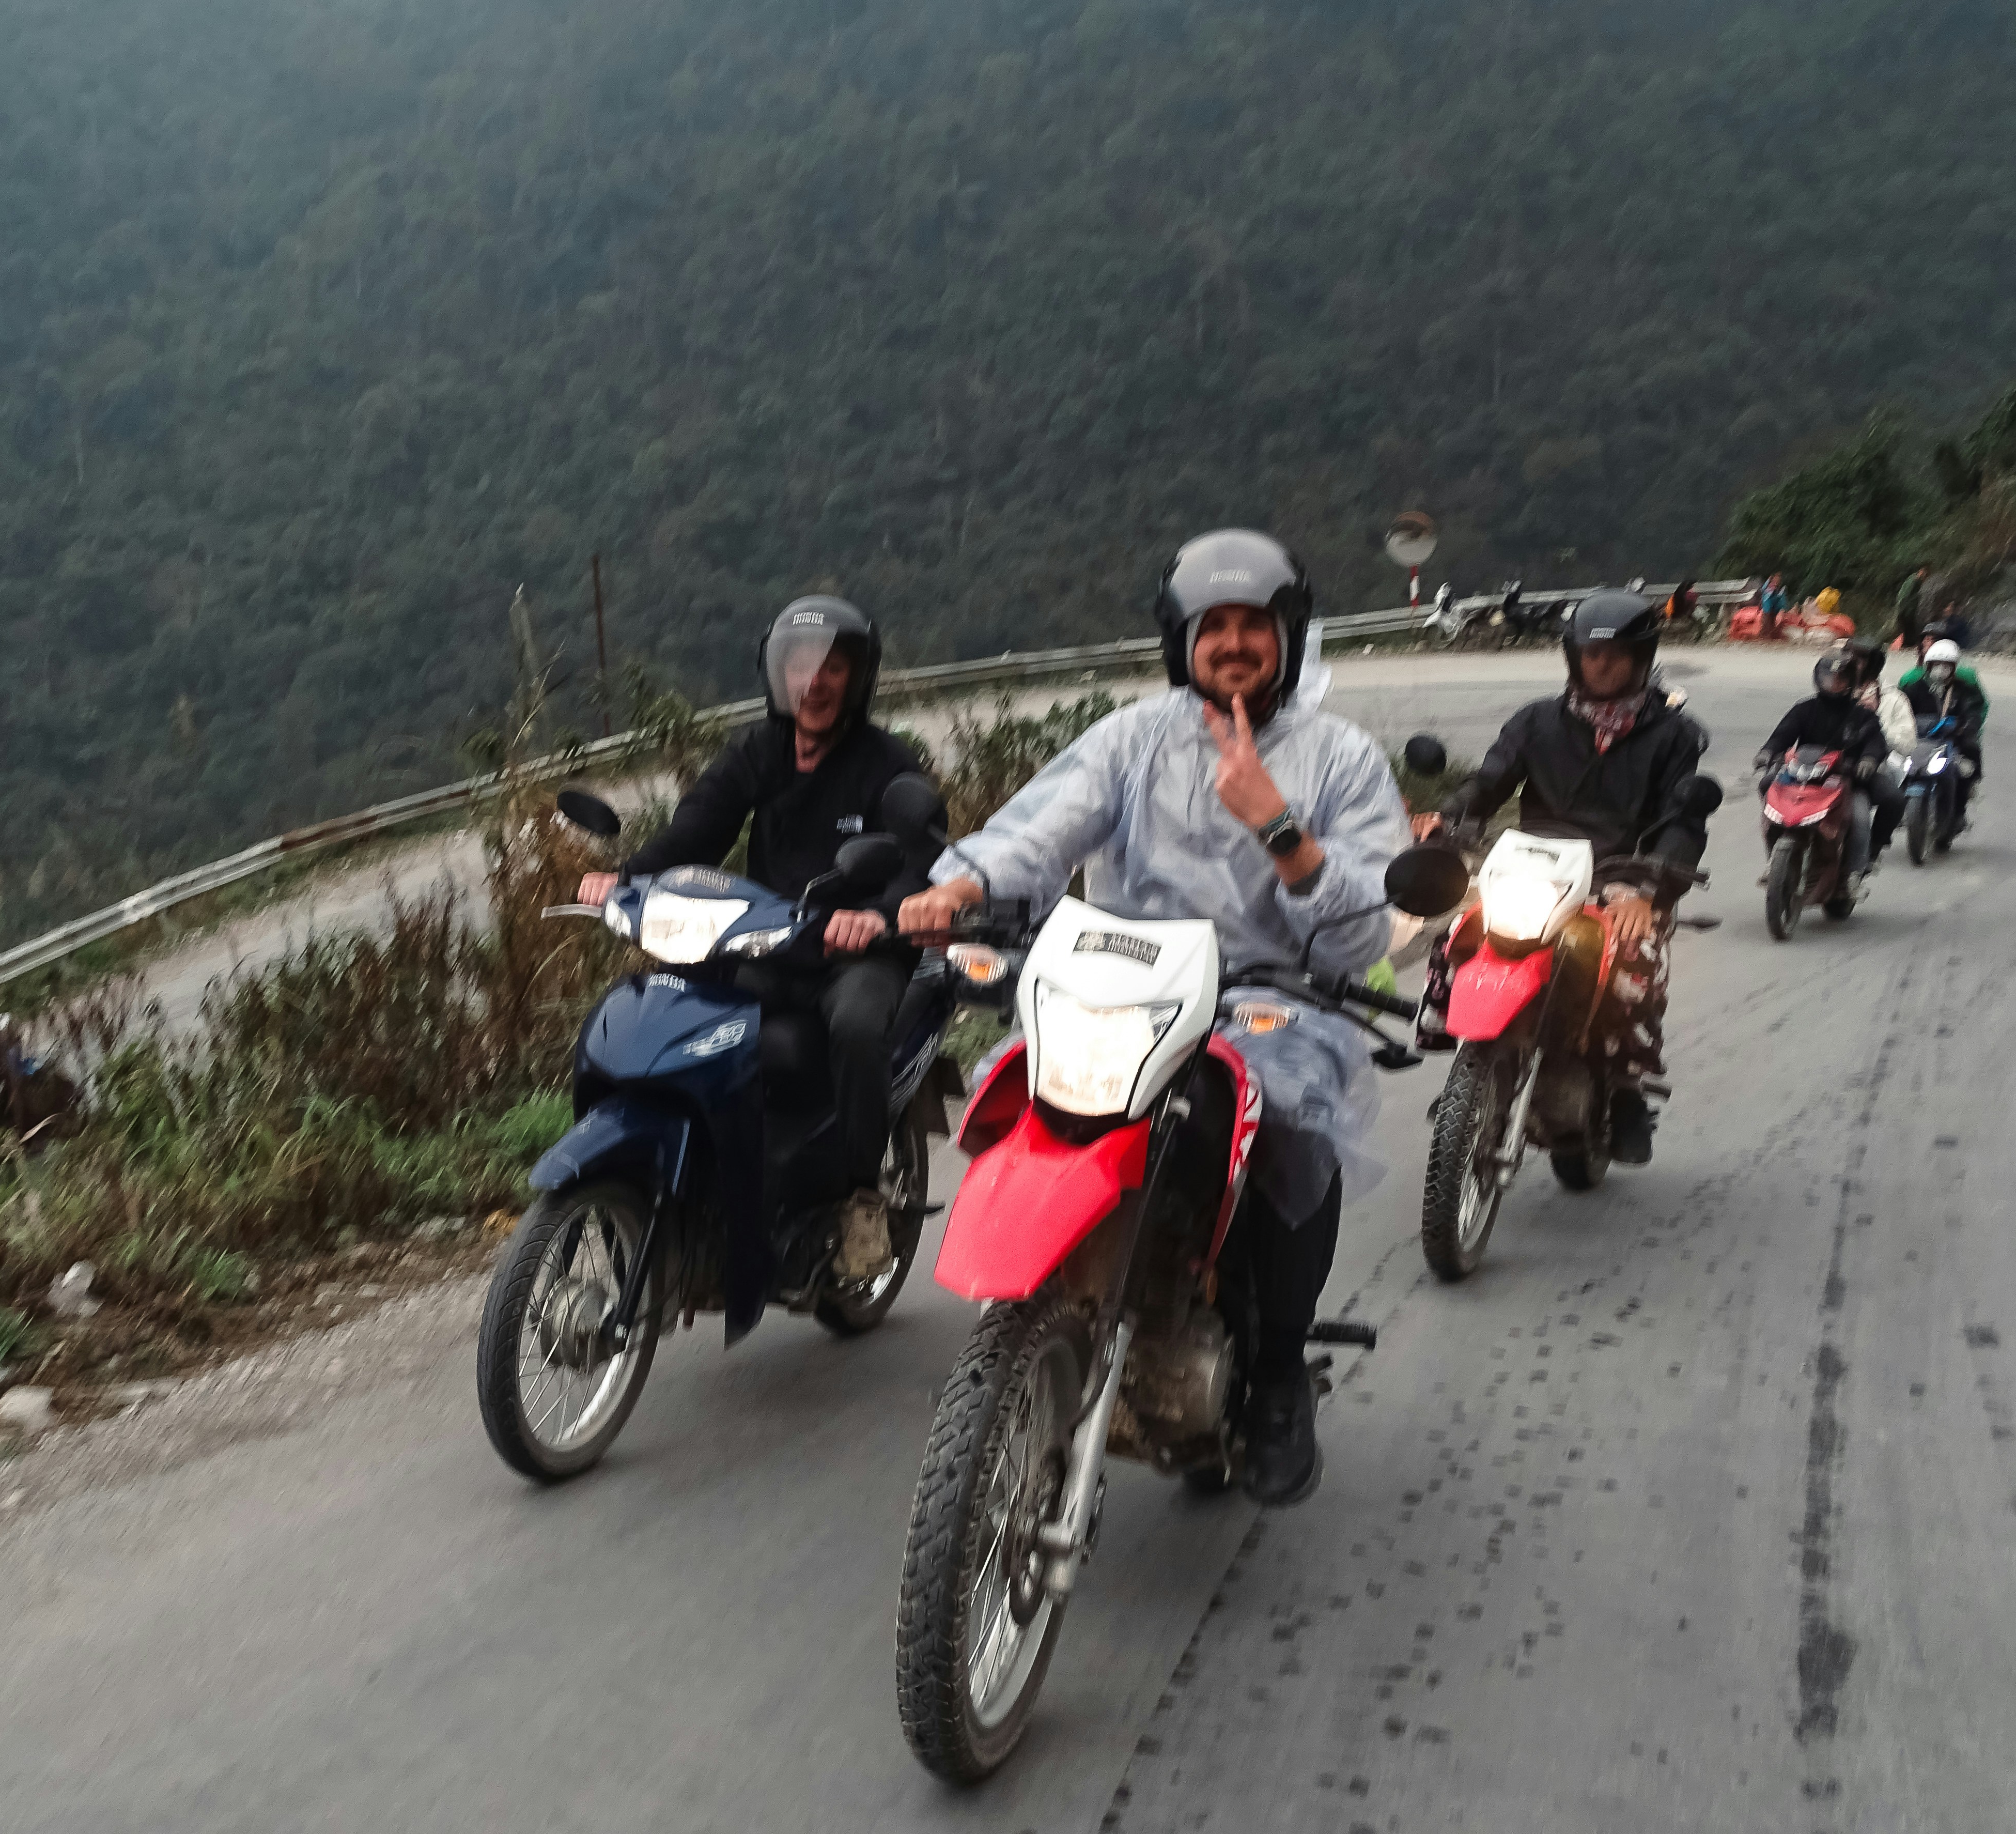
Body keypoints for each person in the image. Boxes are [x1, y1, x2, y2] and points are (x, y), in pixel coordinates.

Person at [897, 529, 1408, 1508]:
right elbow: (1041, 825)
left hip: (1271, 997)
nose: (1230, 644)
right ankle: (1038, 1303)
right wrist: (960, 884)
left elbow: (1357, 939)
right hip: (1124, 985)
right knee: (1025, 1090)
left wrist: (1276, 825)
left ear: (1286, 636)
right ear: (1180, 641)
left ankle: (1274, 1376)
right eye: (1210, 626)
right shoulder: (1132, 738)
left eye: (1251, 626)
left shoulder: (1339, 758)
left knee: (1288, 1129)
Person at [579, 595, 929, 1281]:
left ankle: (861, 1200)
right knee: (663, 1001)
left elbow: (920, 863)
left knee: (858, 1027)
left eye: (833, 668)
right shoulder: (757, 751)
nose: (815, 682)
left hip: (855, 952)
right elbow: (699, 831)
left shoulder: (887, 762)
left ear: (857, 678)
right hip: (768, 939)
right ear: (778, 673)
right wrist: (625, 878)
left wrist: (879, 917)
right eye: (800, 665)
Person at [1414, 590, 1713, 1166]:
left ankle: (1625, 1086)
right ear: (1573, 658)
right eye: (1590, 655)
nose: (1601, 666)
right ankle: (1467, 1068)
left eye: (1616, 656)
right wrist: (1449, 817)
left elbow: (1683, 820)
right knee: (1458, 939)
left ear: (1641, 658)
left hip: (1624, 879)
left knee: (1638, 961)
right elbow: (1490, 781)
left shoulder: (1674, 736)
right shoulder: (1536, 723)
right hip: (1536, 871)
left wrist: (1648, 893)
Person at [1753, 648, 1893, 891]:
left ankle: (1856, 872)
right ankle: (1773, 861)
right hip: (1802, 776)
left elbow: (1875, 742)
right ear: (1818, 678)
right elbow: (1783, 734)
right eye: (1828, 677)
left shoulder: (1862, 715)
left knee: (1862, 817)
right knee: (1768, 787)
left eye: (1840, 679)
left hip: (1847, 779)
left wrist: (1868, 761)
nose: (1833, 683)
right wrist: (1767, 752)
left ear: (1851, 682)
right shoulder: (1805, 709)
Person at [1898, 638, 1988, 784]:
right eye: (1937, 664)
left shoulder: (1962, 690)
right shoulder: (1915, 688)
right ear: (1929, 666)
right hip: (1919, 742)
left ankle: (1965, 792)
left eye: (1946, 665)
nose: (1941, 669)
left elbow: (1972, 712)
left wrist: (1966, 727)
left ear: (1954, 668)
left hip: (1951, 743)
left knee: (1966, 764)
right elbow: (1901, 710)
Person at [1894, 564, 1931, 652]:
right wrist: (1902, 610)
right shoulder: (1913, 581)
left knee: (1910, 629)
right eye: (1926, 574)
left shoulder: (1914, 581)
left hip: (1909, 610)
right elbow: (1904, 596)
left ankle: (1909, 646)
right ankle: (1907, 647)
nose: (1926, 577)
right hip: (1906, 611)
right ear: (1922, 571)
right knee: (1908, 629)